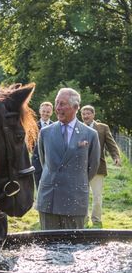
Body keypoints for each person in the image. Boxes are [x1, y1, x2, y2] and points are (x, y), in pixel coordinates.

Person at [36, 88, 100, 230]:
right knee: (49, 247)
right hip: (49, 199)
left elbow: (93, 167)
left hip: (75, 200)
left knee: (74, 246)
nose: (57, 108)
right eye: (56, 103)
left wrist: (75, 182)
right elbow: (44, 162)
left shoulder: (90, 135)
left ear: (76, 107)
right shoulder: (45, 132)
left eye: (62, 104)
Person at [81, 105, 121, 227]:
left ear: (93, 115)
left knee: (97, 196)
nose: (86, 116)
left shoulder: (103, 128)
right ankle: (83, 220)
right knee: (82, 195)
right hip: (80, 168)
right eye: (83, 114)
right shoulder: (78, 127)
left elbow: (111, 144)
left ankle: (96, 220)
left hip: (98, 167)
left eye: (88, 113)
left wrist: (116, 157)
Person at [31, 101, 53, 189]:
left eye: (48, 112)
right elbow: (30, 144)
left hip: (51, 161)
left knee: (50, 186)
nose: (45, 114)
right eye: (44, 111)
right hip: (37, 161)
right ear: (40, 111)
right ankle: (39, 203)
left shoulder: (55, 126)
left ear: (51, 112)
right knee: (38, 186)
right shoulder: (33, 126)